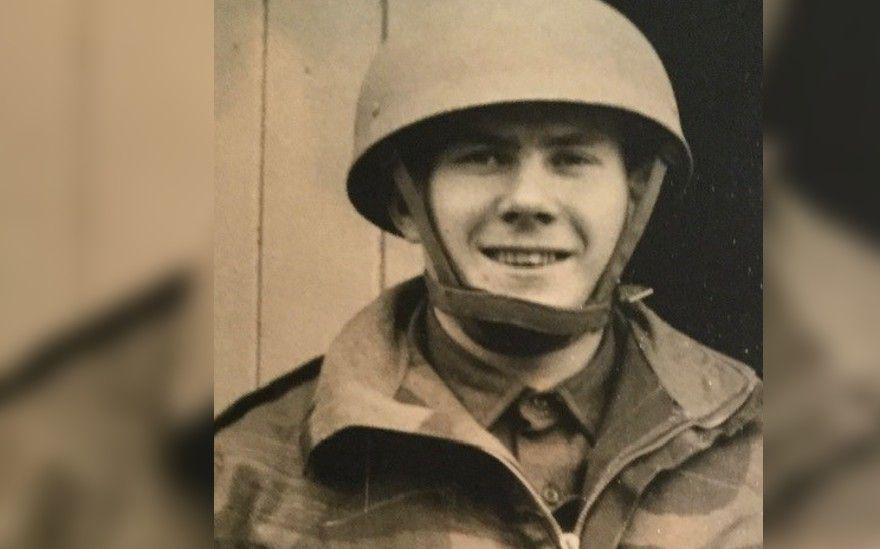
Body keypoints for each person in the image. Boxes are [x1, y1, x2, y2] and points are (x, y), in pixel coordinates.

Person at [214, 1, 762, 547]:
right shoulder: (249, 479)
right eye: (483, 156)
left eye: (571, 158)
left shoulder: (763, 449)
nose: (528, 201)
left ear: (634, 195)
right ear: (407, 205)